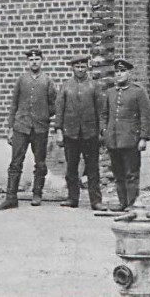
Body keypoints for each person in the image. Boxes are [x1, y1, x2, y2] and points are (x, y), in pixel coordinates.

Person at [0, 47, 58, 210]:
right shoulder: (21, 80)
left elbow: (54, 105)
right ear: (27, 62)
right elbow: (13, 105)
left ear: (42, 61)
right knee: (16, 162)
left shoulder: (47, 81)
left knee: (40, 163)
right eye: (31, 60)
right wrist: (10, 128)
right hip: (21, 127)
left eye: (37, 59)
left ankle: (37, 194)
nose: (34, 62)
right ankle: (11, 197)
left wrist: (43, 115)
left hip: (40, 129)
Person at [52, 54, 103, 210]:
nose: (80, 70)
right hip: (71, 133)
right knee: (71, 168)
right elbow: (59, 110)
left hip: (90, 133)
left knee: (93, 168)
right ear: (72, 68)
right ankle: (72, 198)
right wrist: (59, 130)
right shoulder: (66, 86)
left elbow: (100, 111)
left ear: (87, 67)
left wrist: (101, 132)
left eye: (83, 67)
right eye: (77, 67)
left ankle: (96, 201)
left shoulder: (94, 86)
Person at [100, 58, 150, 212]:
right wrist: (104, 131)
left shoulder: (138, 92)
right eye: (117, 71)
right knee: (118, 173)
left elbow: (145, 116)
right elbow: (104, 114)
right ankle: (122, 203)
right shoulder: (110, 92)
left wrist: (143, 138)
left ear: (129, 73)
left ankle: (132, 203)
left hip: (131, 139)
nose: (119, 74)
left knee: (131, 173)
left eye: (122, 71)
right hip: (113, 140)